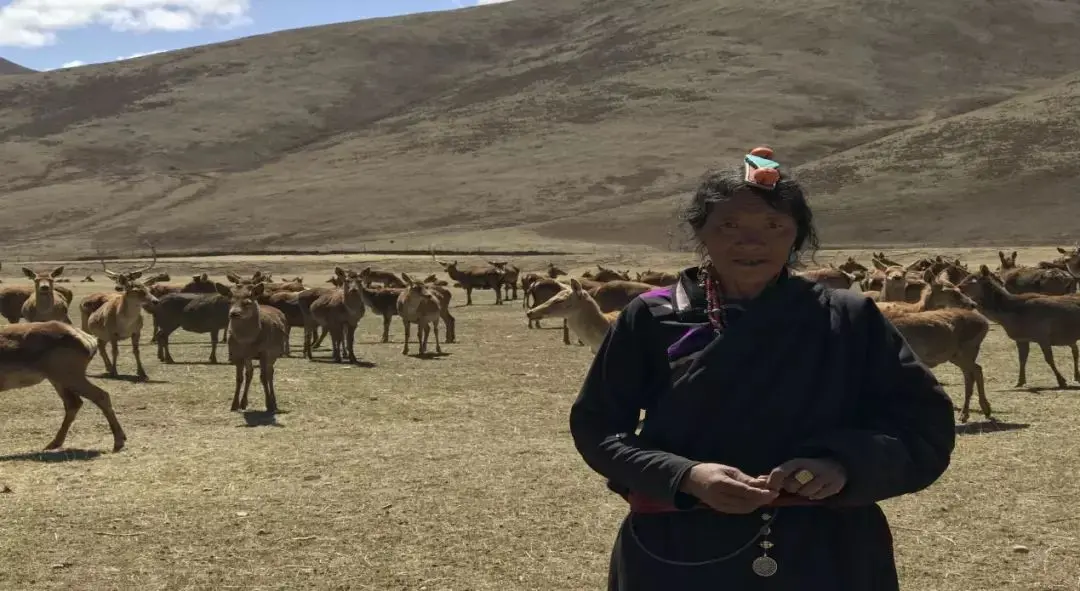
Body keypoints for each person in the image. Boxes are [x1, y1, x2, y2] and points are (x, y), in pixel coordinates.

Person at [568, 146, 956, 590]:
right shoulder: (652, 316)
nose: (751, 242)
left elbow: (922, 426)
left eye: (773, 226)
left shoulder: (849, 318)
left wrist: (843, 463)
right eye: (729, 225)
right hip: (679, 550)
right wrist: (684, 475)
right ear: (701, 231)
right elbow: (598, 427)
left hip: (827, 551)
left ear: (797, 235)